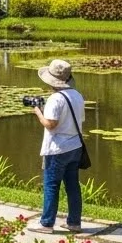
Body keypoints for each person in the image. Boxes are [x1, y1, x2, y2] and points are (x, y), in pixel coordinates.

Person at [32, 59, 88, 234]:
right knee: (73, 185)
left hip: (57, 149)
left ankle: (46, 223)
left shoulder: (55, 99)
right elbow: (80, 120)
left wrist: (38, 112)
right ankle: (74, 222)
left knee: (51, 184)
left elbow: (51, 124)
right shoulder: (77, 95)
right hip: (75, 146)